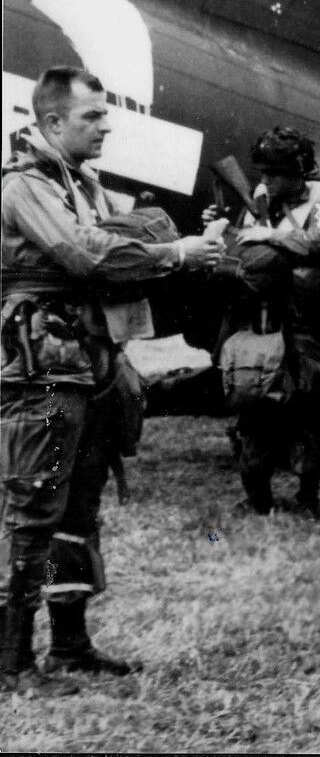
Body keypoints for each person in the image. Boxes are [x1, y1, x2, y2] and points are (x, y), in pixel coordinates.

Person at [2, 67, 223, 696]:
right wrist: (177, 253)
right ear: (50, 122)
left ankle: (70, 646)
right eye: (91, 116)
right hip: (41, 372)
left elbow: (126, 236)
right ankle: (12, 662)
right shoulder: (24, 186)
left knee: (79, 507)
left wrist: (175, 241)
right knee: (31, 508)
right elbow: (90, 254)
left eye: (105, 114)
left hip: (90, 362)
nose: (106, 125)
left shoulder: (84, 185)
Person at [212, 127, 320, 518]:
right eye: (262, 173)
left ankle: (308, 495)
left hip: (305, 327)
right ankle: (258, 496)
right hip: (261, 321)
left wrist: (267, 237)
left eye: (274, 173)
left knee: (311, 410)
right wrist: (226, 225)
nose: (265, 181)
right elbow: (240, 252)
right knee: (253, 405)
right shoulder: (258, 200)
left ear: (298, 173)